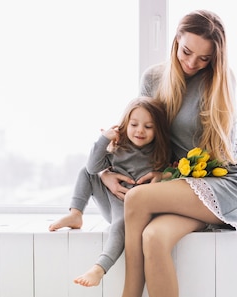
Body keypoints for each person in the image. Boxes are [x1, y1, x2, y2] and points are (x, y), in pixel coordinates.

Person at [90, 10, 237, 297]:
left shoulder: (221, 81)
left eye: (204, 58)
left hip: (223, 180)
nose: (193, 63)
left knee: (139, 199)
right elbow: (139, 133)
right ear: (176, 41)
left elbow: (218, 153)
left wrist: (166, 178)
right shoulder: (153, 79)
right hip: (181, 182)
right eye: (187, 52)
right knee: (153, 237)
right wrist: (105, 172)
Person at [48, 96, 171, 287]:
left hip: (132, 212)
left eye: (148, 127)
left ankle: (99, 267)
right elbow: (92, 167)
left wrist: (162, 175)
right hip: (111, 203)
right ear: (125, 124)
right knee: (86, 172)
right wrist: (104, 139)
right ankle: (75, 214)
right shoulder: (118, 149)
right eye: (134, 124)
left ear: (158, 130)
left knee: (120, 224)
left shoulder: (159, 153)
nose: (140, 130)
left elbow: (174, 175)